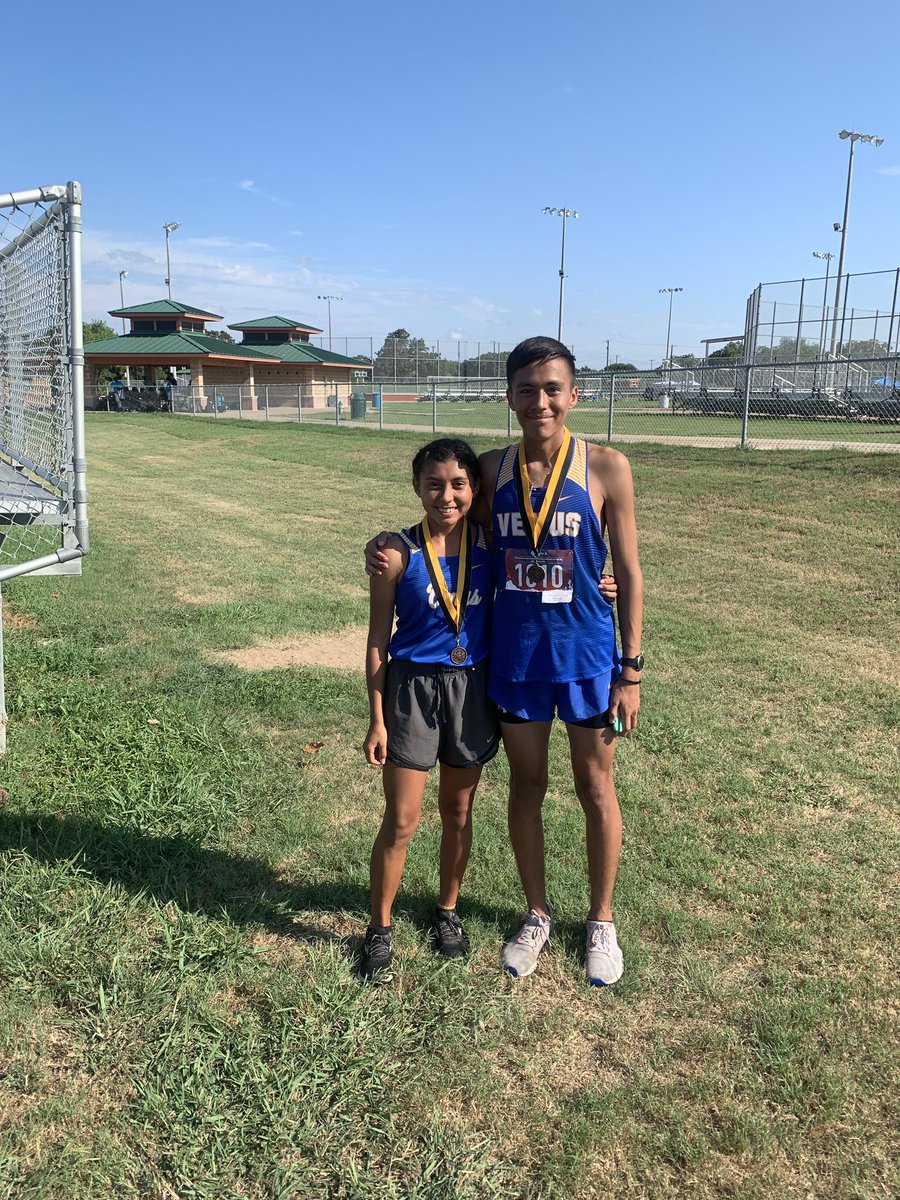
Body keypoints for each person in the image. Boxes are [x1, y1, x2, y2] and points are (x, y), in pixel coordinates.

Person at [367, 336, 642, 987]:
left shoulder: (606, 467)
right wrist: (390, 543)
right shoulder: (492, 469)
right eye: (527, 389)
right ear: (509, 397)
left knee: (595, 788)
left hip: (587, 660)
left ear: (575, 394)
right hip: (515, 661)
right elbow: (448, 522)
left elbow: (628, 570)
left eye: (553, 388)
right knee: (526, 788)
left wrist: (630, 668)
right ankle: (538, 913)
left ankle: (600, 920)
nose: (540, 401)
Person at [360, 437, 500, 981]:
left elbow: (550, 575)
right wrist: (376, 716)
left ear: (474, 489)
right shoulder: (397, 553)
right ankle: (379, 927)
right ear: (416, 487)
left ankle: (447, 911)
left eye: (459, 484)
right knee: (401, 818)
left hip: (471, 690)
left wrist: (602, 585)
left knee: (458, 813)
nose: (446, 495)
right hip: (411, 692)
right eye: (434, 484)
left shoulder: (491, 545)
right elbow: (377, 640)